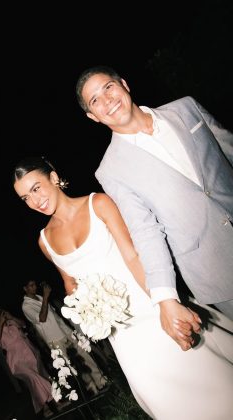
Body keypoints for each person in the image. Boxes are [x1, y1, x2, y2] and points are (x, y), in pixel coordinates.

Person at [12, 156, 233, 420]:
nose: (35, 201)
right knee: (164, 398)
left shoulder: (99, 204)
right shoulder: (44, 240)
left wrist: (166, 303)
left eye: (36, 188)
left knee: (205, 375)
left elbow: (133, 256)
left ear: (54, 177)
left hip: (149, 308)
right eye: (25, 198)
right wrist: (88, 313)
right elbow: (70, 284)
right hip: (120, 333)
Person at [75, 65, 233, 350]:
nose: (107, 100)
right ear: (92, 117)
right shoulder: (111, 171)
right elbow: (145, 231)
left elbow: (229, 149)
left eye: (108, 87)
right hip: (216, 269)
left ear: (124, 83)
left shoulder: (186, 108)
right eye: (95, 100)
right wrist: (165, 299)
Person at [21, 279, 108, 395]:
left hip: (64, 330)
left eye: (34, 284)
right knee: (73, 365)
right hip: (54, 339)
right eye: (31, 285)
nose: (35, 287)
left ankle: (101, 381)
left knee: (84, 355)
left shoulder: (39, 297)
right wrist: (46, 297)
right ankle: (92, 388)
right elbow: (42, 318)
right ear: (25, 289)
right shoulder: (26, 306)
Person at [0, 307, 59, 417]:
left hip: (30, 353)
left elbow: (23, 324)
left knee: (36, 380)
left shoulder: (12, 323)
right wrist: (1, 324)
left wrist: (11, 317)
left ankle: (45, 407)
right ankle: (55, 400)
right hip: (16, 361)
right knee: (33, 377)